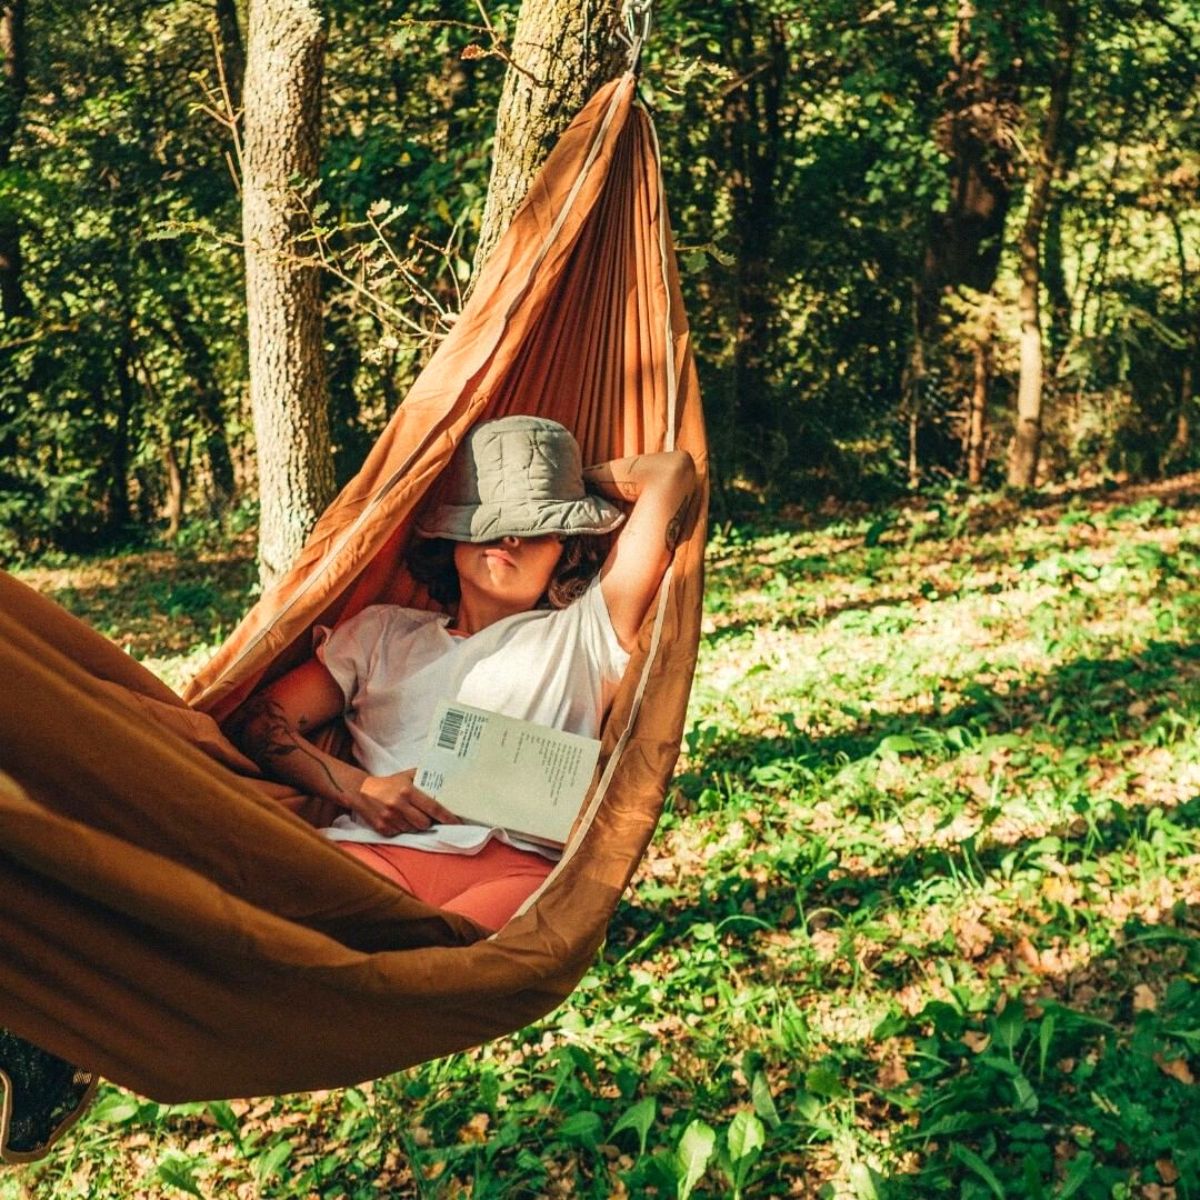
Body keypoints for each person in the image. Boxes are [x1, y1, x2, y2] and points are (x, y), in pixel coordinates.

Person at [237, 415, 695, 932]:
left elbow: (672, 473)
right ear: (452, 539)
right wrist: (359, 789)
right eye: (489, 518)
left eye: (536, 525)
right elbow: (260, 720)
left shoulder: (587, 631)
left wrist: (564, 482)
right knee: (275, 928)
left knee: (438, 968)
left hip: (516, 872)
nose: (510, 538)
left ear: (566, 549)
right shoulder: (382, 633)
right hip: (374, 853)